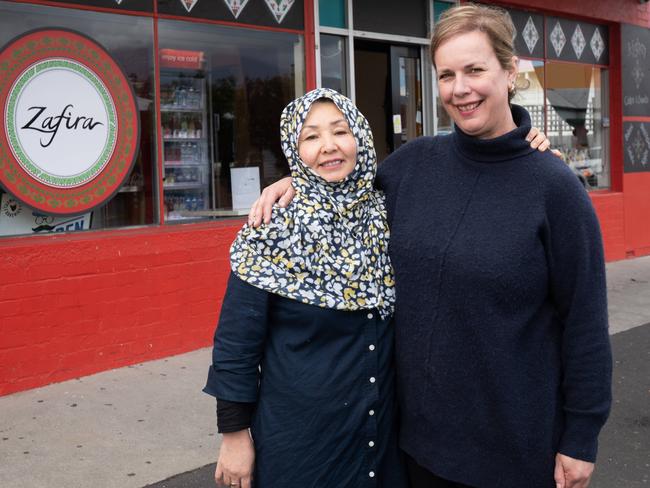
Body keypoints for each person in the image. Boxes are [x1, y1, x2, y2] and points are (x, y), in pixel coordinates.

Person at [248, 5, 612, 488]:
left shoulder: (554, 188)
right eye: (446, 75)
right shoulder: (413, 166)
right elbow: (341, 185)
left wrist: (581, 437)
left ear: (509, 72)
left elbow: (585, 322)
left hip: (515, 452)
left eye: (475, 70)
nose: (460, 88)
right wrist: (292, 183)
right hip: (413, 448)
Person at [203, 88, 408, 488]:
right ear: (294, 151)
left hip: (380, 443)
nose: (328, 147)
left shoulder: (389, 213)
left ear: (360, 139)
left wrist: (525, 143)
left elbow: (460, 165)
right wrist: (234, 437)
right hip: (301, 447)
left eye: (340, 131)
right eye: (310, 137)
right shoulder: (272, 229)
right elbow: (236, 344)